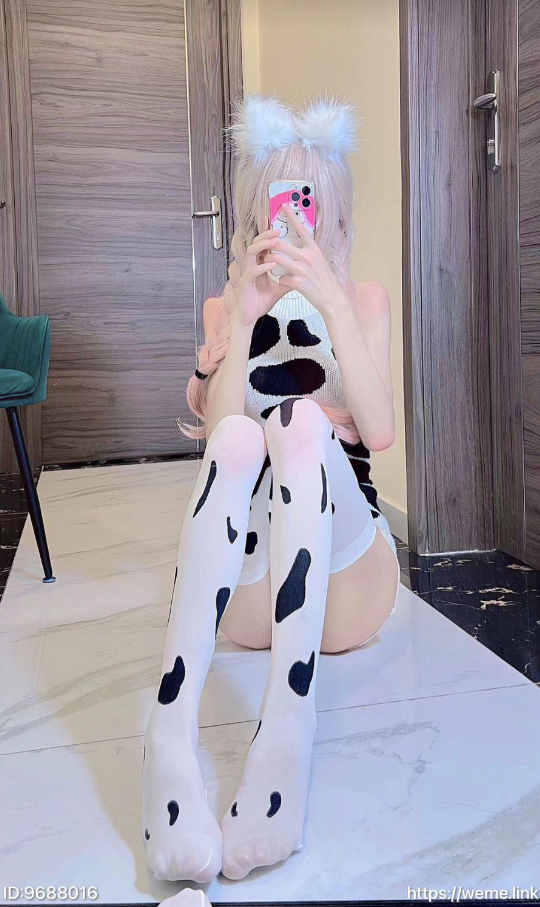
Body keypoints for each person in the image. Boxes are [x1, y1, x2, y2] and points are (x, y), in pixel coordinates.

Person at [141, 94, 400, 884]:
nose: (293, 219)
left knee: (299, 422)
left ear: (333, 212)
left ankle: (288, 724)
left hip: (348, 585)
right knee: (240, 435)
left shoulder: (362, 300)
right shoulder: (227, 307)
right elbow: (221, 435)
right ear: (255, 211)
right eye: (279, 201)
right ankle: (168, 732)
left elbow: (379, 430)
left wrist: (328, 298)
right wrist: (247, 313)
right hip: (253, 596)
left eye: (307, 200)